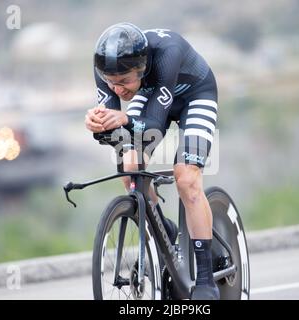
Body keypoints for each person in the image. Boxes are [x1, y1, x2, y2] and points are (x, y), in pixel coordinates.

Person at [85, 22, 220, 300]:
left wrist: (123, 119)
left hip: (195, 95)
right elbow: (116, 133)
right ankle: (163, 228)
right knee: (129, 166)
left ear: (142, 69)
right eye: (111, 83)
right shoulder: (107, 69)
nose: (117, 90)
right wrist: (99, 125)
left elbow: (154, 124)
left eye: (124, 82)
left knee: (187, 178)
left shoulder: (166, 54)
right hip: (151, 96)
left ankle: (206, 279)